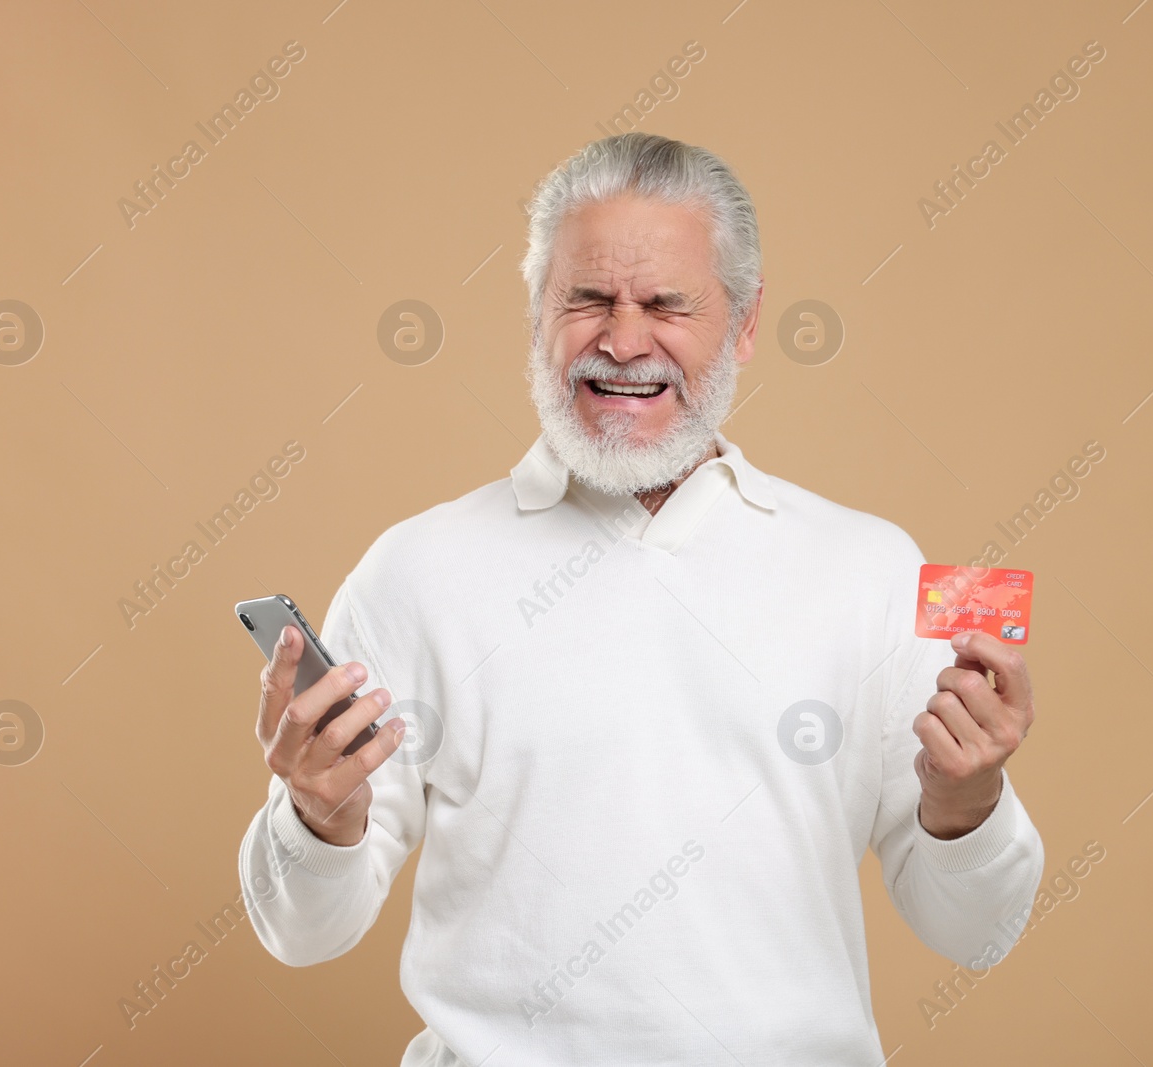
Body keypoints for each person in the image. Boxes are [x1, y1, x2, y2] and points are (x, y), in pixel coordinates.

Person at [239, 131, 1042, 1066]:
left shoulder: (869, 569)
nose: (623, 342)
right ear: (538, 313)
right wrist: (314, 816)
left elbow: (974, 933)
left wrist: (968, 799)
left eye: (667, 303)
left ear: (744, 321)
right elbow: (301, 932)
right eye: (587, 299)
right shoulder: (414, 570)